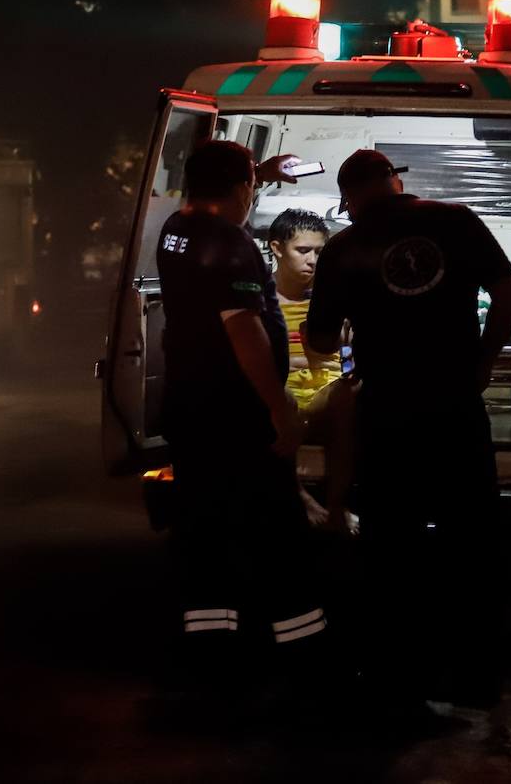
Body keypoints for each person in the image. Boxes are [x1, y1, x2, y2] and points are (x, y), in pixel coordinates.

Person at [302, 148, 511, 711]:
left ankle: (399, 683)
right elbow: (509, 292)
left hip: (387, 416)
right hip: (455, 408)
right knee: (471, 543)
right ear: (395, 182)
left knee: (391, 548)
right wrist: (483, 360)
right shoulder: (456, 219)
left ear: (350, 199)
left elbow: (322, 341)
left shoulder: (344, 248)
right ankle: (476, 681)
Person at [156, 139, 327, 698]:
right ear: (240, 188)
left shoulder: (175, 231)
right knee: (280, 537)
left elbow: (226, 186)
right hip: (236, 414)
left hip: (191, 411)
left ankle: (209, 662)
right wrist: (281, 411)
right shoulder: (232, 246)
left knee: (204, 534)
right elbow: (245, 332)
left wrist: (261, 170)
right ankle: (304, 663)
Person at [267, 208, 356, 534]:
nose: (312, 260)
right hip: (280, 391)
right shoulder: (263, 298)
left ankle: (338, 505)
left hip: (325, 390)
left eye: (319, 252)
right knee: (276, 396)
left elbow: (347, 359)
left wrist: (346, 359)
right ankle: (298, 494)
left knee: (347, 394)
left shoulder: (330, 297)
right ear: (277, 248)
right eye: (303, 251)